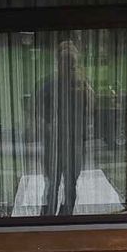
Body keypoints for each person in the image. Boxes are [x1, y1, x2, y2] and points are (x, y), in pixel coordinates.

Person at [34, 38, 90, 218]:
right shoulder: (48, 86)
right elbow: (36, 112)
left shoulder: (82, 85)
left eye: (73, 62)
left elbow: (92, 109)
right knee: (52, 184)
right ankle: (47, 222)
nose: (69, 66)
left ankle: (66, 220)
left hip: (75, 145)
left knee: (71, 186)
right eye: (66, 62)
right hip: (54, 145)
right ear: (58, 63)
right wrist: (47, 127)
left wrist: (83, 86)